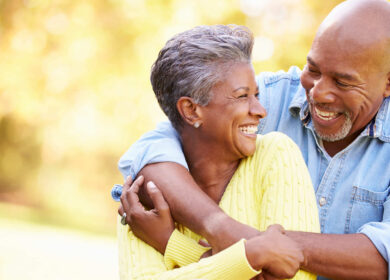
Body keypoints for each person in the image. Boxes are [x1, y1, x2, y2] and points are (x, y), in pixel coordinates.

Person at [114, 0, 390, 279]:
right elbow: (154, 151)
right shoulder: (267, 97)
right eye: (313, 70)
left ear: (388, 82)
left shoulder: (275, 146)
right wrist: (222, 229)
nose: (318, 94)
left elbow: (384, 259)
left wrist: (259, 248)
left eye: (343, 82)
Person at [116, 24, 320, 280]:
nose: (260, 110)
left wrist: (172, 244)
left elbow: (292, 276)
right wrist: (252, 257)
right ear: (191, 110)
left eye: (256, 94)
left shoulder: (276, 154)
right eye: (242, 96)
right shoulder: (144, 196)